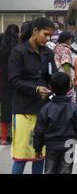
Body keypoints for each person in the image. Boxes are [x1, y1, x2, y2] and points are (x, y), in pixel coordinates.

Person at [8, 18, 57, 174]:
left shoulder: (48, 53)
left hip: (43, 110)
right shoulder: (18, 52)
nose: (48, 39)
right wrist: (35, 89)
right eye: (46, 34)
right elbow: (14, 80)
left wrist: (60, 83)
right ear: (35, 31)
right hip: (23, 110)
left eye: (50, 36)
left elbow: (52, 76)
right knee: (21, 156)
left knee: (40, 155)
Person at [33, 72, 77, 174]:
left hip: (51, 145)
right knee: (66, 171)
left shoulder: (46, 109)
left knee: (49, 171)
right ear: (69, 87)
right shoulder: (74, 108)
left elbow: (39, 130)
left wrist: (37, 148)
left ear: (51, 88)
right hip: (70, 145)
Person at [0, 24, 19, 146]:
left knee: (3, 109)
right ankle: (12, 137)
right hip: (13, 81)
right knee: (13, 110)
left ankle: (2, 137)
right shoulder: (18, 46)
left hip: (1, 80)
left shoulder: (1, 41)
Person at [54, 32, 76, 103]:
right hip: (64, 77)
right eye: (70, 40)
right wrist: (69, 80)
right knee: (69, 100)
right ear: (67, 40)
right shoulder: (65, 49)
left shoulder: (56, 47)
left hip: (57, 77)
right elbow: (66, 65)